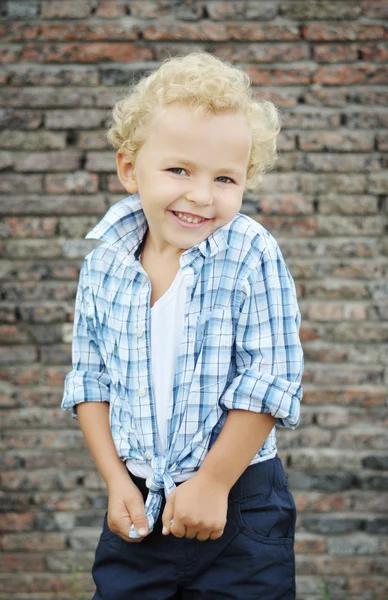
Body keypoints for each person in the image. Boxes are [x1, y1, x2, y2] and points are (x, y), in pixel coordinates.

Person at [61, 51, 304, 600]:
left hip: (240, 507)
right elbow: (89, 379)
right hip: (139, 504)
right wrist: (116, 481)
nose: (200, 195)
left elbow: (269, 378)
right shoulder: (104, 263)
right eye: (178, 170)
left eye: (224, 178)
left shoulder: (250, 252)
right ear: (130, 168)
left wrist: (214, 482)